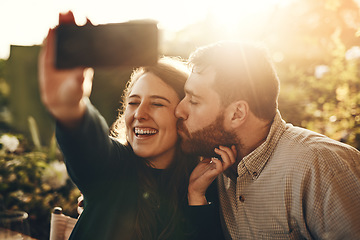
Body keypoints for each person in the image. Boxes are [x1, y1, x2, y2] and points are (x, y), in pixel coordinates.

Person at [39, 12, 234, 240]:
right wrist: (69, 106)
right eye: (133, 102)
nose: (140, 114)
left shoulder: (209, 184)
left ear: (182, 114)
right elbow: (85, 141)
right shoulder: (111, 168)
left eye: (157, 104)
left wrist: (196, 198)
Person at [175, 41, 360, 239]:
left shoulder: (322, 166)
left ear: (237, 114)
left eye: (194, 101)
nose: (179, 110)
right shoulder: (215, 171)